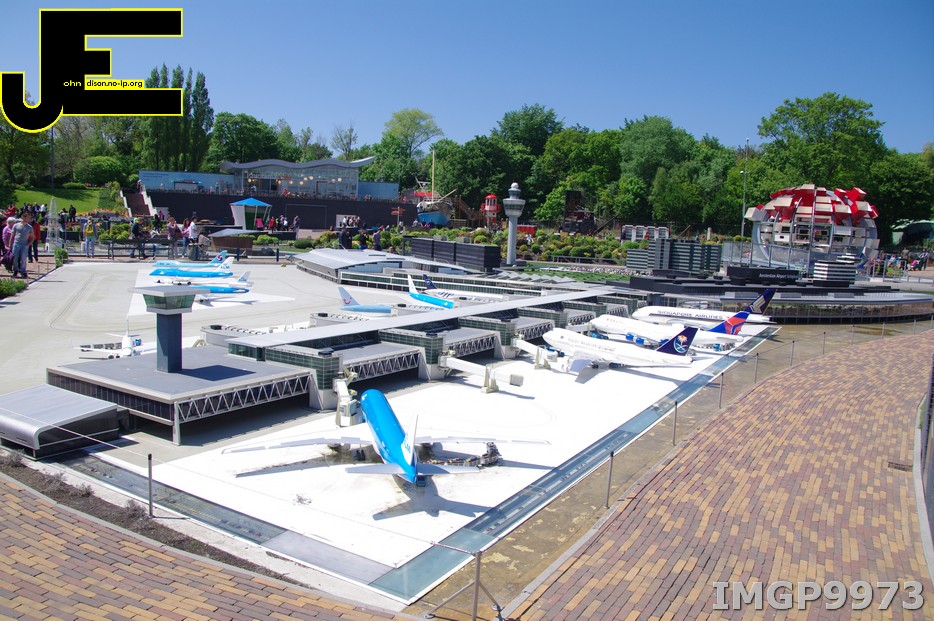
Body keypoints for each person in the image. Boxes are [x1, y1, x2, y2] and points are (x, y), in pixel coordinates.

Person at [11, 212, 35, 278]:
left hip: (24, 244)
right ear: (23, 217)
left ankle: (23, 271)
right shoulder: (16, 225)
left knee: (23, 258)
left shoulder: (29, 227)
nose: (28, 219)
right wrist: (10, 244)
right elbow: (12, 235)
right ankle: (15, 270)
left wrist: (29, 243)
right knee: (15, 258)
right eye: (27, 217)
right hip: (16, 243)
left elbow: (33, 237)